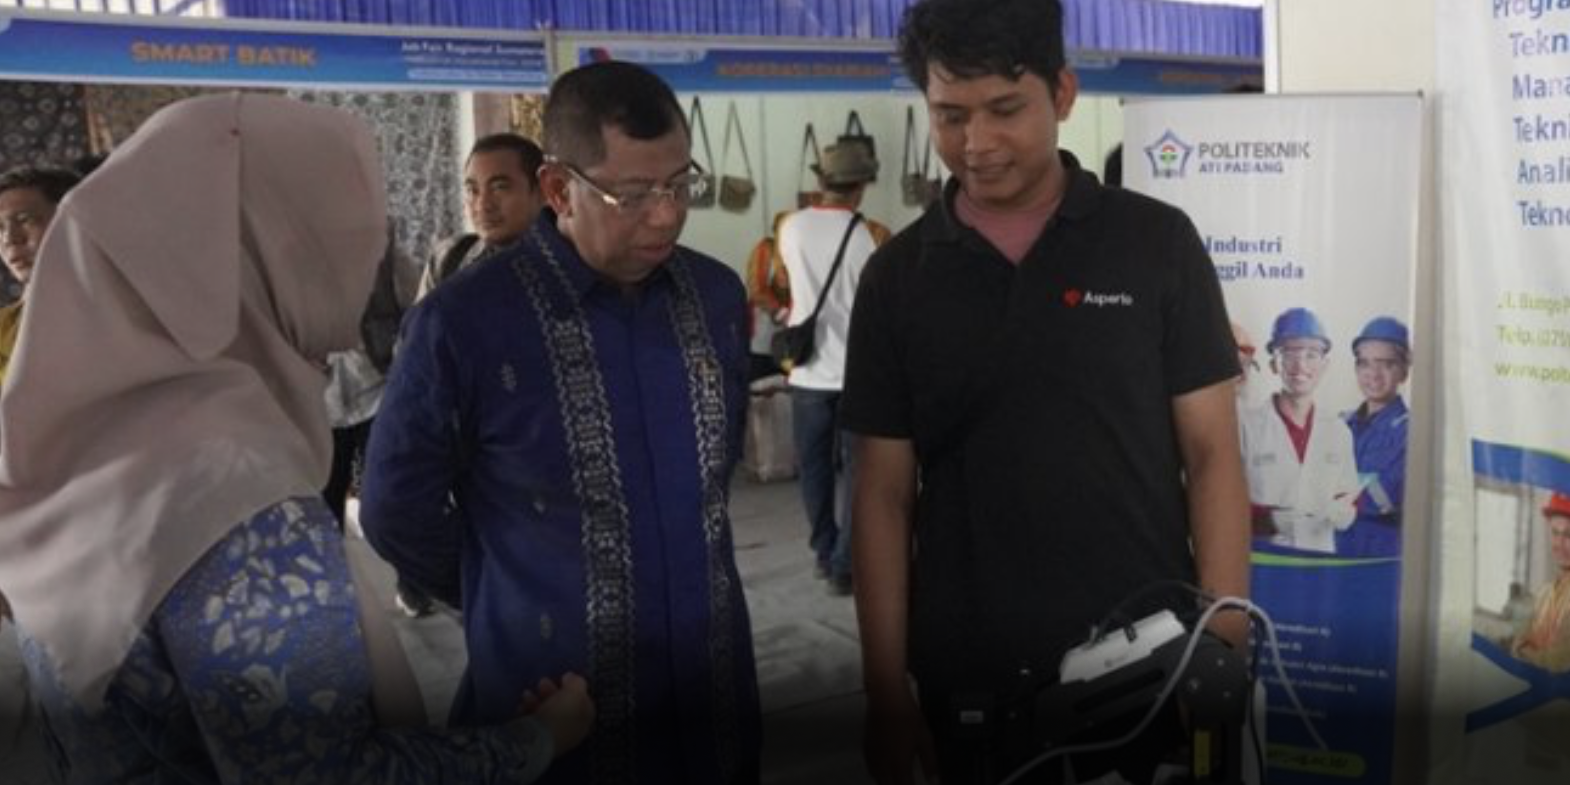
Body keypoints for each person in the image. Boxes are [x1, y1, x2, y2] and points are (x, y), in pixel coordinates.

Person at [0, 93, 592, 783]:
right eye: (330, 233)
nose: (357, 261)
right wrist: (534, 740)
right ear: (259, 253)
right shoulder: (235, 508)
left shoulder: (75, 449)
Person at [840, 1, 1251, 783]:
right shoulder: (897, 279)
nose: (976, 143)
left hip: (1148, 659)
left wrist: (1224, 642)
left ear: (1062, 93)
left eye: (1004, 110)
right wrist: (885, 689)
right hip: (972, 677)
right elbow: (883, 494)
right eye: (950, 115)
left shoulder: (1156, 244)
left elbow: (1211, 455)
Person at [360, 60, 761, 784]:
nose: (665, 215)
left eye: (679, 185)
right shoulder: (465, 322)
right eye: (631, 195)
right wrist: (506, 591)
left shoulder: (714, 296)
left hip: (710, 691)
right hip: (552, 704)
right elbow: (395, 508)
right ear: (557, 189)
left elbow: (717, 465)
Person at [776, 141, 891, 596]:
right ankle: (845, 564)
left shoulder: (790, 227)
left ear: (821, 181)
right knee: (859, 475)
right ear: (860, 186)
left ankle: (824, 553)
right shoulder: (865, 236)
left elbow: (789, 284)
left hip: (806, 373)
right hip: (856, 373)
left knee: (814, 470)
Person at [1239, 307, 1360, 553]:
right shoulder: (1246, 427)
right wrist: (1271, 521)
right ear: (1273, 364)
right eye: (1289, 354)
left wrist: (1347, 511)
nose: (1300, 365)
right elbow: (1225, 505)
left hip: (1319, 561)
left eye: (1311, 354)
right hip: (1265, 561)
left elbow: (1348, 495)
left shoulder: (1338, 432)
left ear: (1324, 365)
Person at [417, 132, 545, 298]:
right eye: (472, 191)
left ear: (542, 191)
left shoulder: (567, 264)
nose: (483, 205)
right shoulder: (448, 261)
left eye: (499, 188)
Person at [0, 166, 81, 385]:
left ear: (72, 223)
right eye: (0, 228)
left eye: (25, 219)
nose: (10, 239)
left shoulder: (124, 309)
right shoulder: (3, 328)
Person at [1337, 316, 1410, 557]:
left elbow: (1384, 498)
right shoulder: (1340, 424)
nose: (1373, 374)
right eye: (1365, 364)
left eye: (1386, 364)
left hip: (1379, 555)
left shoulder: (1410, 432)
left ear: (1404, 371)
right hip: (1333, 550)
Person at [1512, 493, 1570, 672]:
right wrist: (1526, 651)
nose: (1559, 544)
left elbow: (1559, 664)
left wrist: (1526, 652)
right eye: (1555, 533)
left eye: (1569, 535)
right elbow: (1517, 645)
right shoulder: (1544, 593)